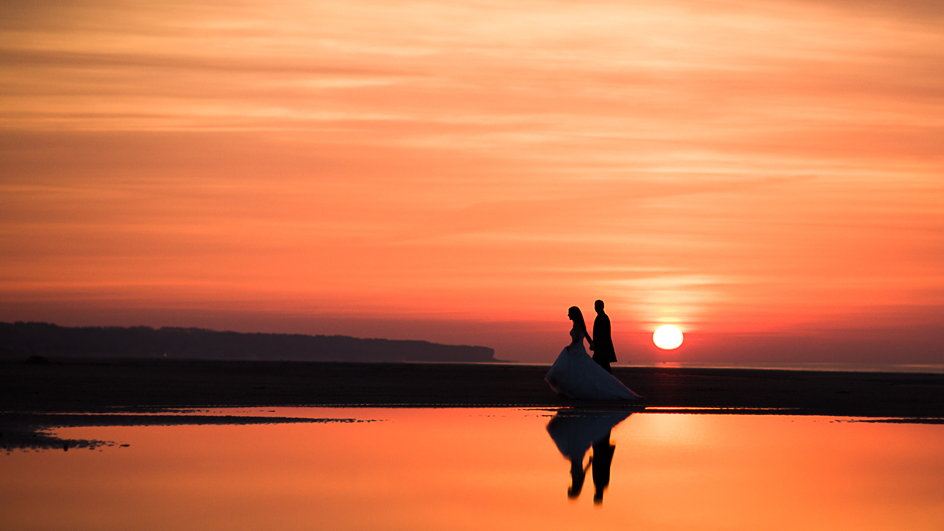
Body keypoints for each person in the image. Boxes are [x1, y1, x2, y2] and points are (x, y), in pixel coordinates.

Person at [545, 306, 643, 400]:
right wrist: (591, 344)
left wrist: (570, 347)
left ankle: (569, 391)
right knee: (577, 372)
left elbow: (578, 338)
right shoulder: (580, 324)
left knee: (574, 371)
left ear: (574, 314)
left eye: (569, 313)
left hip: (576, 351)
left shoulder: (577, 324)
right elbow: (587, 336)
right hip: (578, 350)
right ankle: (569, 391)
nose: (568, 315)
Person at [589, 299, 617, 373]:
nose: (596, 308)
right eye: (595, 306)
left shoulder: (603, 318)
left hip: (602, 349)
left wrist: (596, 345)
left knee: (594, 367)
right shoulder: (599, 318)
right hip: (601, 349)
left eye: (598, 306)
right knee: (605, 368)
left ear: (603, 307)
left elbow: (603, 335)